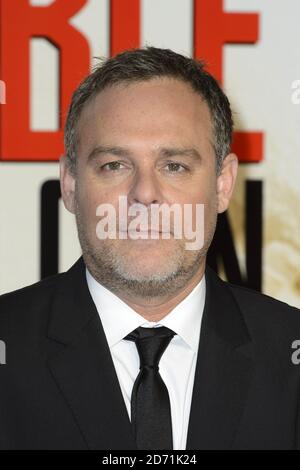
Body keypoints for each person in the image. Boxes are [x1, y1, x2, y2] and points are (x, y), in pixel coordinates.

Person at [1, 46, 300, 450]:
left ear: (222, 183)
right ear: (70, 184)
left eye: (174, 165)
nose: (144, 194)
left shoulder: (289, 353)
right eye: (114, 165)